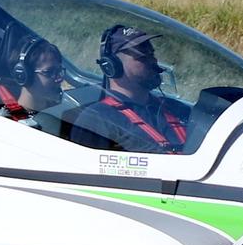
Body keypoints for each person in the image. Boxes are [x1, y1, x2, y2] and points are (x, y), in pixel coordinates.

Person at [72, 24, 189, 152]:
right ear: (112, 66)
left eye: (152, 54)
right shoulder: (97, 119)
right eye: (142, 57)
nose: (153, 61)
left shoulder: (175, 108)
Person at [0, 34, 65, 134]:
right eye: (49, 72)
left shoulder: (62, 110)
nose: (59, 78)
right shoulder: (7, 124)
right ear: (24, 76)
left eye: (59, 70)